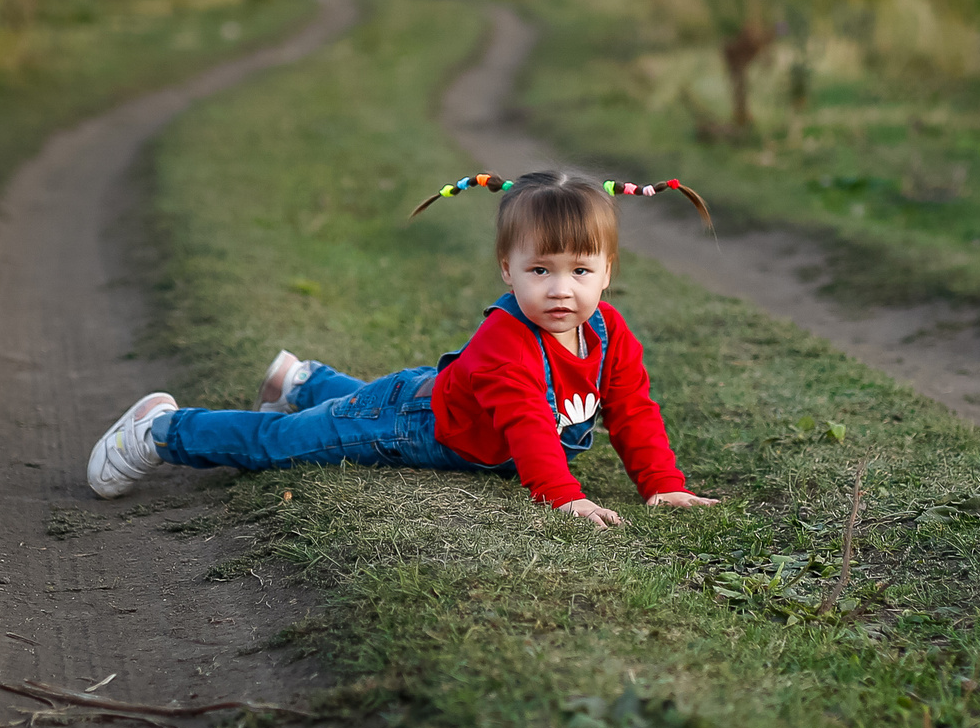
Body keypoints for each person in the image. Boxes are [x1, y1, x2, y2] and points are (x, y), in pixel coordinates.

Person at [82, 168, 722, 528]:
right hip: (416, 426)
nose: (561, 290)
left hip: (433, 398)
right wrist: (565, 495)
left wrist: (660, 485)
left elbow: (633, 409)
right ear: (507, 268)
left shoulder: (610, 336)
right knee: (285, 445)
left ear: (607, 270)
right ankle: (161, 430)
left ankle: (302, 381)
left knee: (354, 407)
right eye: (540, 271)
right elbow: (529, 426)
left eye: (580, 272)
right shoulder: (507, 341)